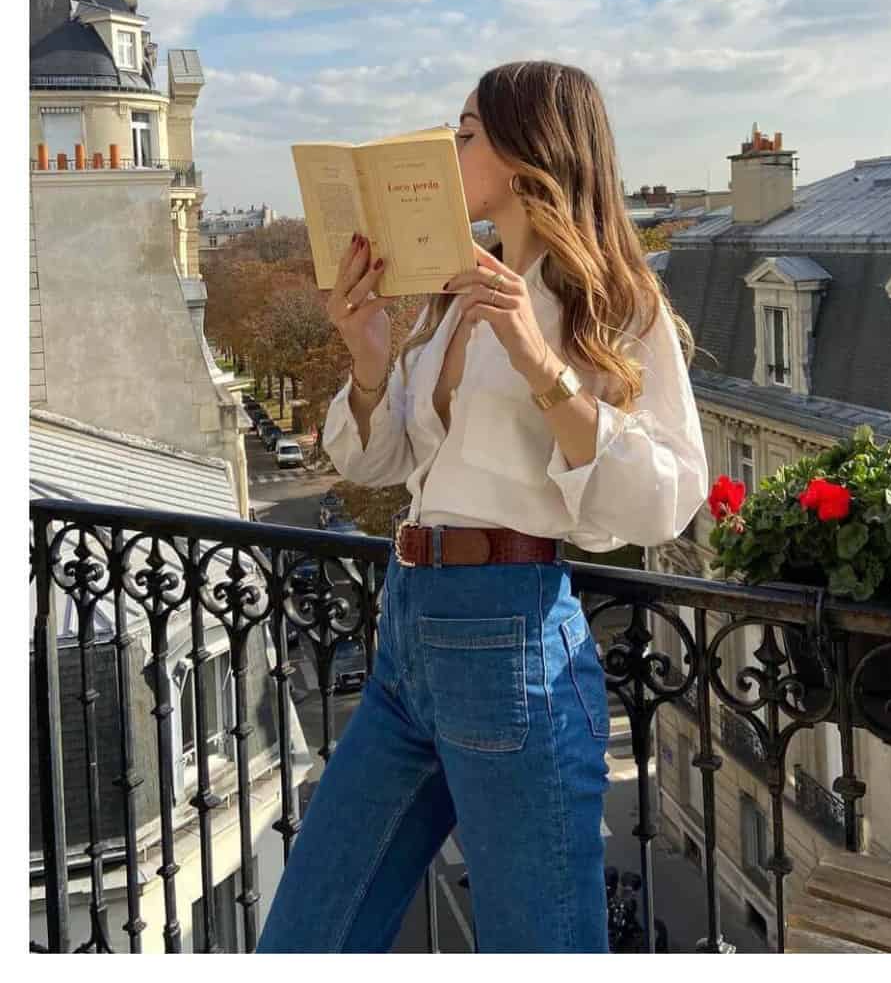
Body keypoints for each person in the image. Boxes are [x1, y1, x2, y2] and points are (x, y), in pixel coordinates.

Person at [259, 61, 706, 952]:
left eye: (464, 132)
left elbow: (667, 495)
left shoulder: (614, 299)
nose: (449, 147)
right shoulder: (457, 292)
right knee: (306, 937)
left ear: (526, 147)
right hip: (408, 638)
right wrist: (369, 354)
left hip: (512, 639)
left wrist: (544, 367)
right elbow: (386, 458)